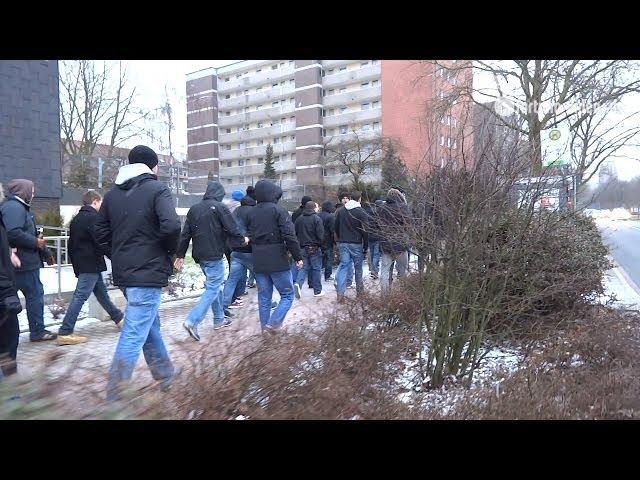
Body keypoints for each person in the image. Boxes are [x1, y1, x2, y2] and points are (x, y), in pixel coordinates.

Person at [95, 145, 181, 401]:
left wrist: (118, 254)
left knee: (147, 325)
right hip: (147, 272)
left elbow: (99, 233)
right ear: (152, 167)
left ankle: (165, 374)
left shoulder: (111, 195)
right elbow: (172, 226)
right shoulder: (158, 189)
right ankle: (114, 396)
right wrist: (165, 254)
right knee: (135, 332)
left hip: (126, 272)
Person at [175, 182, 247, 342]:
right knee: (213, 288)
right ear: (219, 194)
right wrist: (242, 240)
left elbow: (185, 234)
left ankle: (219, 319)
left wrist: (180, 254)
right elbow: (232, 228)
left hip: (200, 256)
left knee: (215, 286)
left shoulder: (194, 209)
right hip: (214, 254)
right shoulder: (220, 208)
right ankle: (192, 321)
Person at [57, 191, 124, 345]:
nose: (101, 206)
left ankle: (119, 318)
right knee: (80, 297)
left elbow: (71, 245)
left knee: (102, 294)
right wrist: (115, 256)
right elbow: (100, 241)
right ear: (95, 201)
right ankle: (65, 331)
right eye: (100, 203)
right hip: (91, 264)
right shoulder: (93, 218)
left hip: (85, 264)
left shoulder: (76, 220)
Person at [0, 179, 56, 342]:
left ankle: (28, 332)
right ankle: (37, 331)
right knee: (34, 296)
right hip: (22, 265)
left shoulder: (16, 207)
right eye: (31, 191)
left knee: (19, 298)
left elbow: (27, 233)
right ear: (23, 192)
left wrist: (45, 251)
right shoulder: (14, 208)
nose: (33, 194)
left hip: (23, 262)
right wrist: (35, 242)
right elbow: (12, 233)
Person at [246, 180, 303, 332]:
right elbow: (290, 236)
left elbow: (248, 235)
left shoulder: (252, 212)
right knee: (287, 294)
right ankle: (274, 323)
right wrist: (298, 257)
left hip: (258, 259)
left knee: (264, 298)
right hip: (277, 258)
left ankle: (265, 330)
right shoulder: (279, 211)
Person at [0, 183, 22, 378]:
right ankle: (11, 397)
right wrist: (7, 291)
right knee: (7, 343)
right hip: (2, 293)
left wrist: (7, 253)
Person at [221, 191, 255, 315]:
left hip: (235, 250)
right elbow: (254, 229)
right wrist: (249, 239)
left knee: (232, 279)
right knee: (262, 278)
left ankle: (224, 304)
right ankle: (269, 301)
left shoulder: (235, 211)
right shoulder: (253, 212)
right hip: (249, 251)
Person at [334, 191, 369, 302]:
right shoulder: (361, 212)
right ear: (359, 199)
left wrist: (340, 239)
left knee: (344, 266)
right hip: (356, 243)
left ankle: (340, 294)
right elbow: (365, 230)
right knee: (358, 269)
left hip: (343, 242)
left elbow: (336, 227)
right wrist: (365, 246)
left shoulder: (340, 211)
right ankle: (360, 294)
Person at [378, 188, 410, 293]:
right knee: (402, 271)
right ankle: (403, 294)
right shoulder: (403, 208)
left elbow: (378, 225)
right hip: (401, 243)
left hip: (386, 244)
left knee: (385, 271)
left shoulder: (382, 209)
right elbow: (408, 224)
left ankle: (385, 295)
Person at [294, 201, 325, 298]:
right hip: (314, 247)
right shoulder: (316, 218)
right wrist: (322, 245)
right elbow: (320, 235)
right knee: (316, 268)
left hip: (302, 247)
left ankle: (298, 284)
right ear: (313, 208)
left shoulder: (299, 219)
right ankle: (317, 291)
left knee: (303, 267)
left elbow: (295, 233)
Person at [362, 199, 382, 280]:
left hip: (369, 236)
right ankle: (374, 271)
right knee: (376, 255)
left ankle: (372, 270)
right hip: (377, 237)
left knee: (372, 254)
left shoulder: (367, 213)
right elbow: (380, 226)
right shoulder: (378, 214)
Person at [317, 201, 336, 281]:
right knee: (329, 258)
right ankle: (327, 275)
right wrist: (335, 241)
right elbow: (332, 230)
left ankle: (316, 277)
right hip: (328, 240)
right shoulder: (330, 217)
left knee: (318, 259)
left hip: (318, 240)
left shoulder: (317, 216)